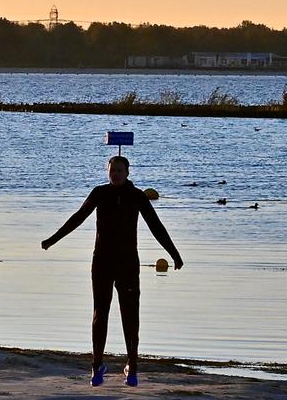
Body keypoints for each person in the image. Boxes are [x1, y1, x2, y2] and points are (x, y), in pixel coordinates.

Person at [40, 154, 183, 386]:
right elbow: (78, 218)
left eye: (119, 170)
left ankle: (132, 367)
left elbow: (156, 226)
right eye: (112, 170)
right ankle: (97, 367)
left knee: (130, 316)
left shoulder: (137, 197)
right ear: (108, 172)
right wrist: (53, 239)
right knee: (100, 313)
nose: (115, 174)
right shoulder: (100, 193)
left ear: (128, 173)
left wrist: (174, 253)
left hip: (127, 263)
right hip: (102, 262)